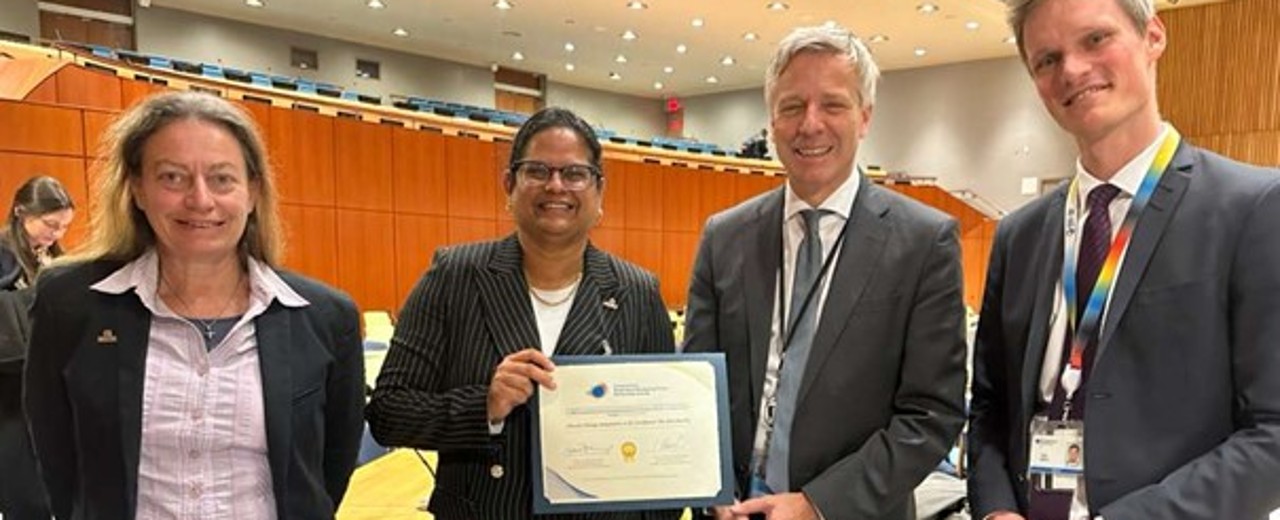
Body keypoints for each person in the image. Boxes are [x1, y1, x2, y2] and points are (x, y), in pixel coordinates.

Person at [966, 0, 1280, 519]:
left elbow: (1272, 433)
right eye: (1047, 59)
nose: (1070, 70)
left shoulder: (1252, 208)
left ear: (1153, 37)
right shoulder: (1019, 235)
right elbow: (990, 409)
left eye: (1095, 40)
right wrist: (996, 509)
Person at [24, 91, 365, 519]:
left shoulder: (325, 318)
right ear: (137, 189)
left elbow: (326, 472)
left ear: (253, 191)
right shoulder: (70, 305)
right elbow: (56, 461)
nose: (200, 200)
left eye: (222, 178)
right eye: (172, 177)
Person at [682, 24, 967, 520]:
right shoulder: (724, 236)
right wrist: (712, 489)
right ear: (772, 121)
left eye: (832, 105)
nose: (809, 124)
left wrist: (817, 505)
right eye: (792, 106)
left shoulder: (925, 242)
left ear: (865, 117)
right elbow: (696, 386)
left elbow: (931, 416)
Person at [366, 107, 680, 520]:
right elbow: (388, 412)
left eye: (574, 174)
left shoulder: (638, 292)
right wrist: (485, 405)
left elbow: (664, 431)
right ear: (509, 186)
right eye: (537, 171)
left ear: (599, 192)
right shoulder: (454, 276)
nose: (556, 186)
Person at [0, 175, 73, 519]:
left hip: (43, 385)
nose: (56, 234)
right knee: (26, 495)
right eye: (50, 224)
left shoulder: (52, 260)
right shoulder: (4, 258)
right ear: (20, 212)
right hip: (8, 391)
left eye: (63, 227)